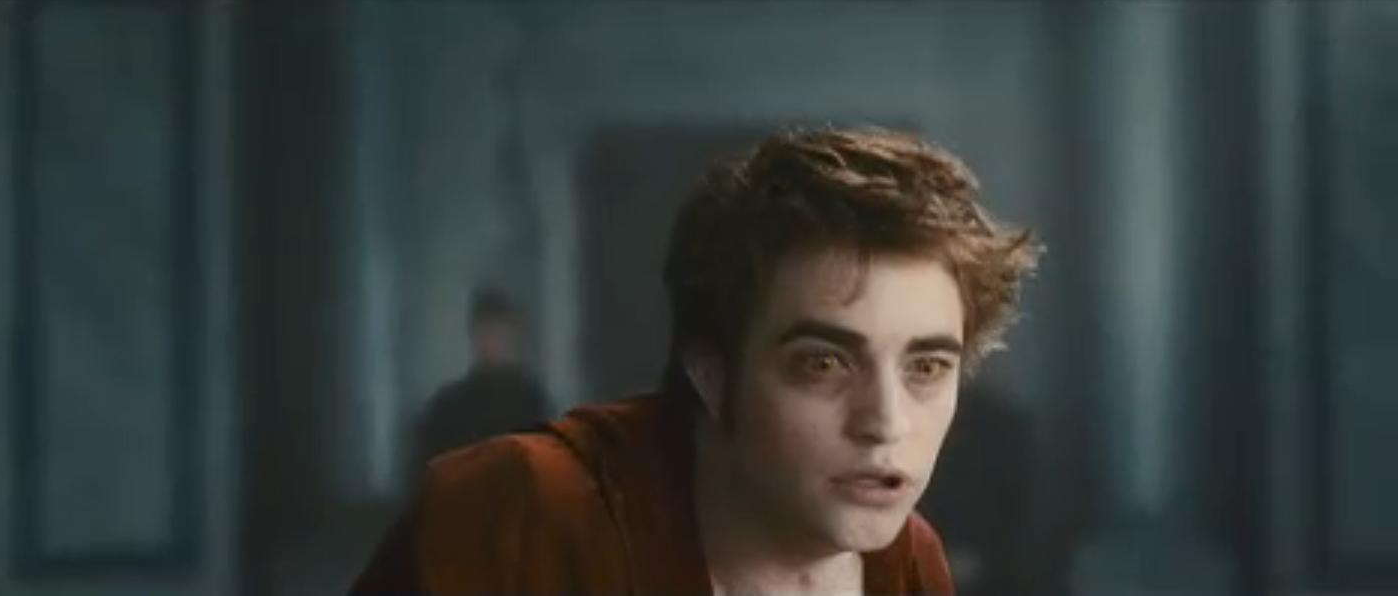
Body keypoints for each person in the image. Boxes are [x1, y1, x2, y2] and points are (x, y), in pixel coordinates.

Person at [351, 127, 1040, 594]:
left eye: (926, 368)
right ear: (711, 373)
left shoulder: (907, 560)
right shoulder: (517, 512)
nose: (886, 423)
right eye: (824, 364)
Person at [408, 288, 551, 482]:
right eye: (486, 332)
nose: (493, 342)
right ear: (474, 336)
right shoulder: (449, 408)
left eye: (500, 333)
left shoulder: (532, 403)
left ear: (514, 337)